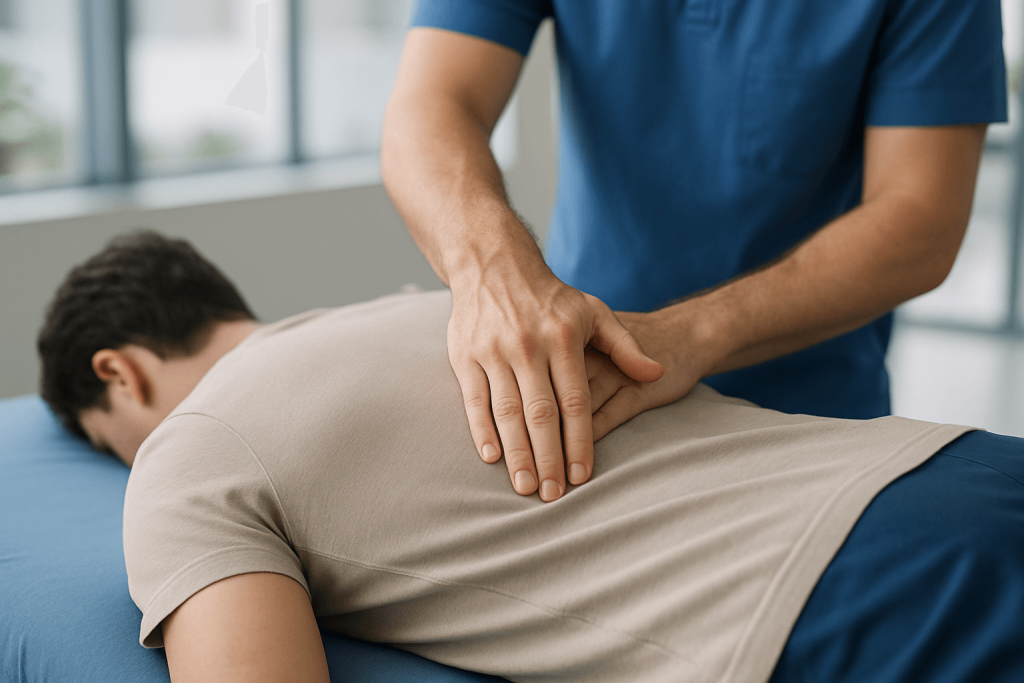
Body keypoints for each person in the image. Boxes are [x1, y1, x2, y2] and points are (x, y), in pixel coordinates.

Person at [36, 232, 1024, 683]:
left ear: (118, 371)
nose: (130, 465)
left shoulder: (189, 451)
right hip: (955, 465)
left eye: (109, 445)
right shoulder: (445, 311)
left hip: (841, 602)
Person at [380, 0, 1008, 503]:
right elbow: (430, 106)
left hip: (807, 422)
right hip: (583, 394)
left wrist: (686, 336)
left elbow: (920, 218)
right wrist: (496, 274)